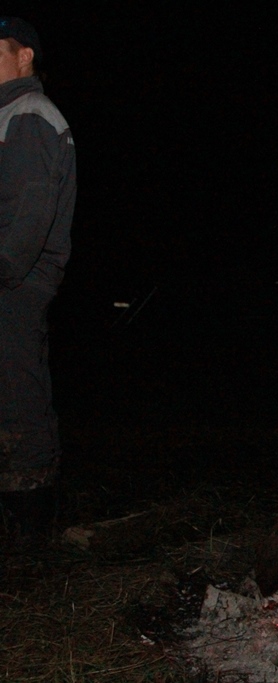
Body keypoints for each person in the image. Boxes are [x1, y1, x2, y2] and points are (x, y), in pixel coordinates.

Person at [0, 17, 77, 541]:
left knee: (17, 393)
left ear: (24, 56)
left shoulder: (28, 115)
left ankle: (29, 522)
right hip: (14, 277)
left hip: (16, 282)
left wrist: (5, 269)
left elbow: (28, 212)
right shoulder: (11, 114)